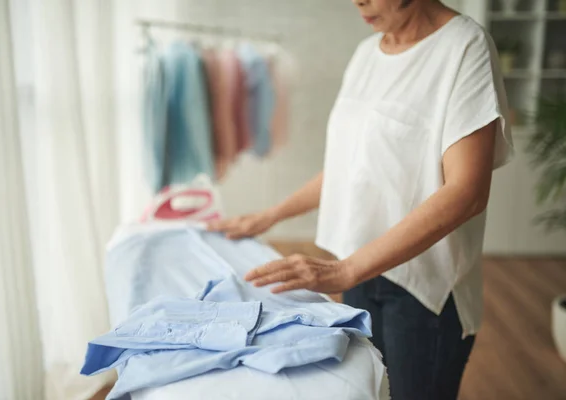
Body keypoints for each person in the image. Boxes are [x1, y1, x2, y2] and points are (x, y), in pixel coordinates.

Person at [208, 0, 513, 399]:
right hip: (361, 273)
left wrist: (346, 270)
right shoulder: (366, 53)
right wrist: (268, 217)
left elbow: (467, 192)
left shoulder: (464, 48)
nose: (359, 2)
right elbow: (349, 168)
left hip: (423, 288)